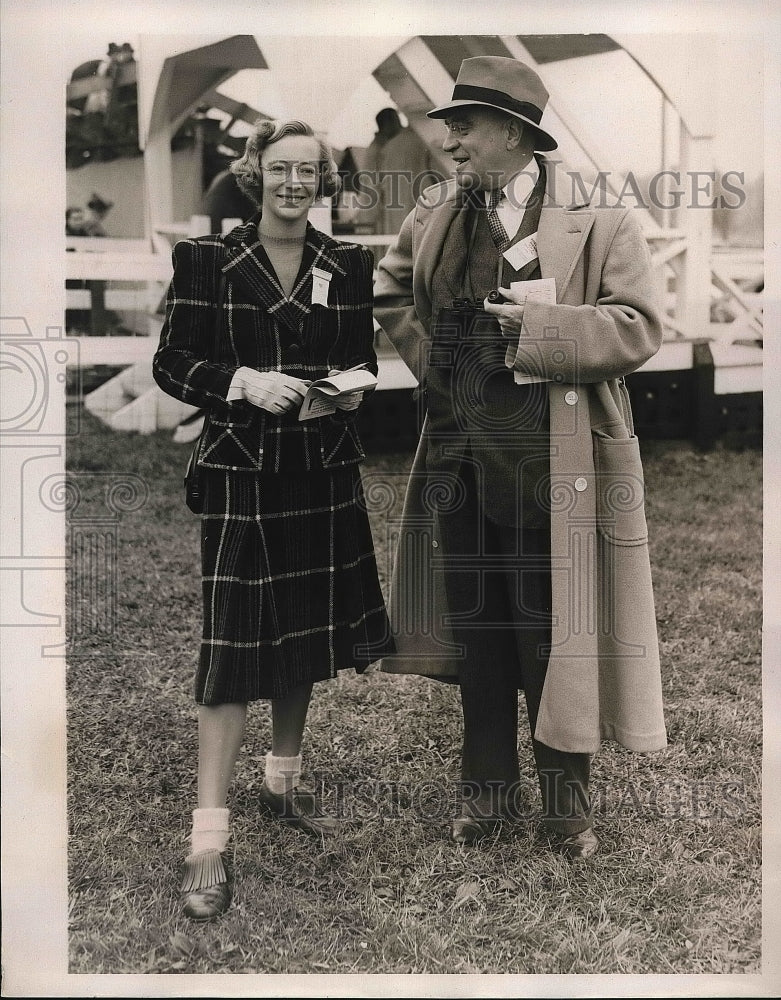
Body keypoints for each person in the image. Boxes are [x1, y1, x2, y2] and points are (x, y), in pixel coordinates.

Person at [373, 56, 667, 859]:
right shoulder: (435, 210)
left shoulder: (600, 219)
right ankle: (486, 800)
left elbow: (638, 326)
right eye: (451, 127)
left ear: (513, 132)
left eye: (464, 125)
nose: (451, 140)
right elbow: (391, 291)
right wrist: (440, 358)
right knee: (480, 632)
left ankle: (566, 812)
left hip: (554, 460)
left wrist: (528, 333)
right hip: (461, 461)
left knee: (553, 632)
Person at [153, 118, 393, 921]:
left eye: (308, 170)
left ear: (324, 179)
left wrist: (345, 388)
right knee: (230, 647)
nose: (293, 182)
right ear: (254, 171)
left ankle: (281, 786)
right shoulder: (206, 259)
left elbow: (361, 359)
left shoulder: (346, 264)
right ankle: (207, 841)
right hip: (238, 474)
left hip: (320, 471)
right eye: (280, 167)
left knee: (304, 634)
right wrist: (241, 383)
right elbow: (171, 362)